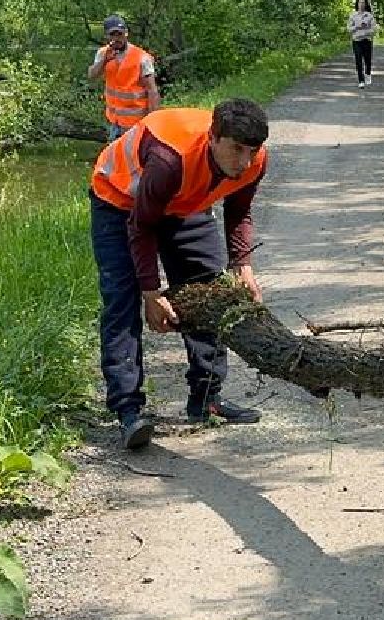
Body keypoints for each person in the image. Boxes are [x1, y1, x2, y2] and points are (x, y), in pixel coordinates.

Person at [89, 99, 270, 450]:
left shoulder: (254, 162)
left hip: (184, 204)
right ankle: (129, 412)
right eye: (236, 149)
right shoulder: (171, 158)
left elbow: (240, 210)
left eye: (253, 150)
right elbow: (141, 227)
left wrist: (243, 265)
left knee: (210, 290)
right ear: (213, 138)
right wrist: (152, 294)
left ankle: (206, 399)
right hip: (119, 201)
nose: (245, 161)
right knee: (122, 303)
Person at [88, 14, 160, 142]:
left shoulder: (141, 57)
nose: (117, 38)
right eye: (113, 35)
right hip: (113, 121)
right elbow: (92, 75)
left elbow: (152, 90)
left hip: (136, 122)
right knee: (114, 159)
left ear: (126, 33)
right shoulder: (103, 53)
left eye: (120, 34)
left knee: (133, 159)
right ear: (107, 36)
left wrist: (152, 121)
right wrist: (104, 61)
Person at [348, 0, 377, 88]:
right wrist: (357, 27)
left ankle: (368, 74)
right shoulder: (353, 16)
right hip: (357, 41)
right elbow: (349, 29)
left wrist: (366, 30)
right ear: (357, 4)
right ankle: (361, 80)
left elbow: (374, 29)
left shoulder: (369, 16)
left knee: (367, 60)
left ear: (365, 4)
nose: (361, 4)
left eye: (363, 3)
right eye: (360, 3)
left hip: (367, 40)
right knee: (358, 60)